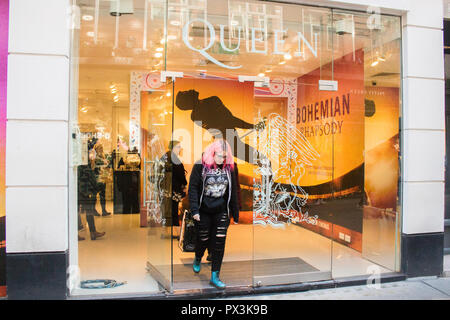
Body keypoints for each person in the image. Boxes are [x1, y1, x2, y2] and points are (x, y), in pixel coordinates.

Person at [188, 139, 239, 289]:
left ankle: (215, 276)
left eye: (224, 156)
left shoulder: (229, 167)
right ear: (212, 153)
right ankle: (198, 257)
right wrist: (195, 210)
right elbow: (193, 188)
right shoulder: (200, 165)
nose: (221, 159)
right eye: (219, 156)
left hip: (221, 210)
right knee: (203, 239)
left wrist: (235, 213)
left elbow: (233, 190)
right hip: (204, 210)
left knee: (219, 242)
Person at [78, 141, 106, 240]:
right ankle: (92, 232)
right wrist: (95, 187)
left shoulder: (82, 161)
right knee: (87, 211)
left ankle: (92, 232)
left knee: (85, 211)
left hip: (81, 189)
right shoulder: (84, 163)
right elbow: (90, 177)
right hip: (83, 190)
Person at [161, 140, 187, 238]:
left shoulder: (165, 156)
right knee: (174, 211)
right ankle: (176, 233)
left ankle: (165, 232)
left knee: (166, 210)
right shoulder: (174, 158)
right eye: (178, 147)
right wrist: (185, 184)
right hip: (174, 189)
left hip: (165, 189)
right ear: (173, 148)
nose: (180, 149)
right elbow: (180, 175)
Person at [93, 142, 111, 216]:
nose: (101, 149)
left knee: (103, 195)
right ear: (96, 149)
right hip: (96, 178)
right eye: (99, 148)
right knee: (95, 194)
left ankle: (104, 210)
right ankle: (93, 210)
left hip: (103, 177)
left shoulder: (103, 156)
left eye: (101, 148)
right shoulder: (94, 157)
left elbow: (106, 165)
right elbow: (95, 165)